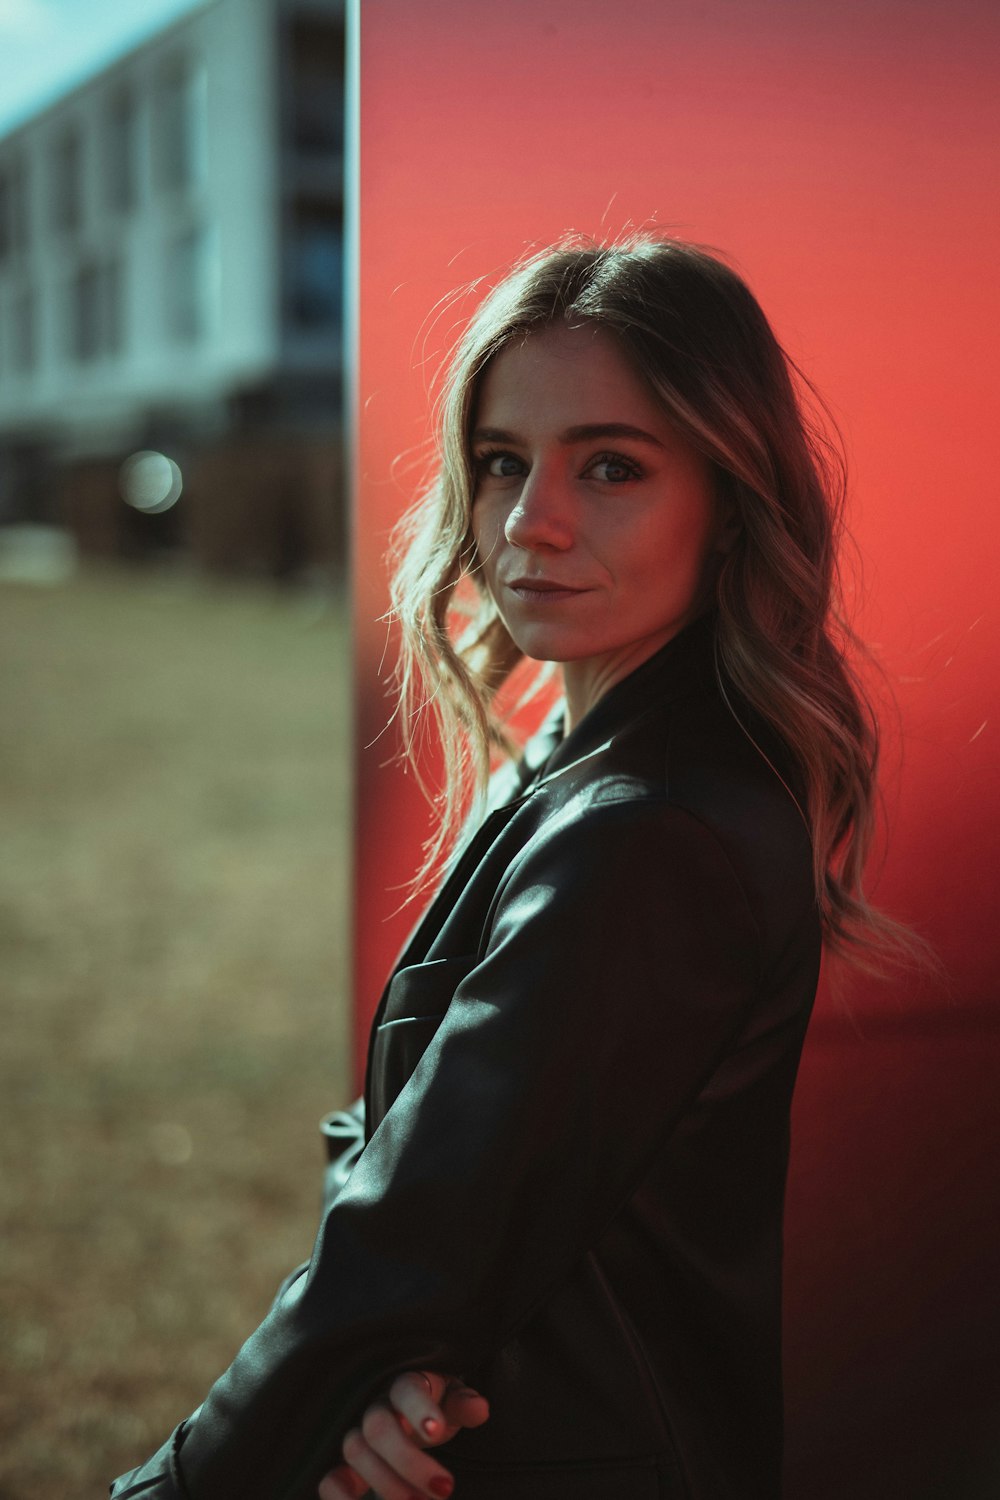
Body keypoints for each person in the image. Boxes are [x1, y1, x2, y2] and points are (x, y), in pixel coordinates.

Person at [110, 234, 915, 1500]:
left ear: (728, 496)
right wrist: (377, 1381)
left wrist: (175, 1486)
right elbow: (446, 1183)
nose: (530, 522)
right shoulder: (572, 755)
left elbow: (409, 1241)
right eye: (500, 463)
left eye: (609, 467)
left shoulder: (650, 832)